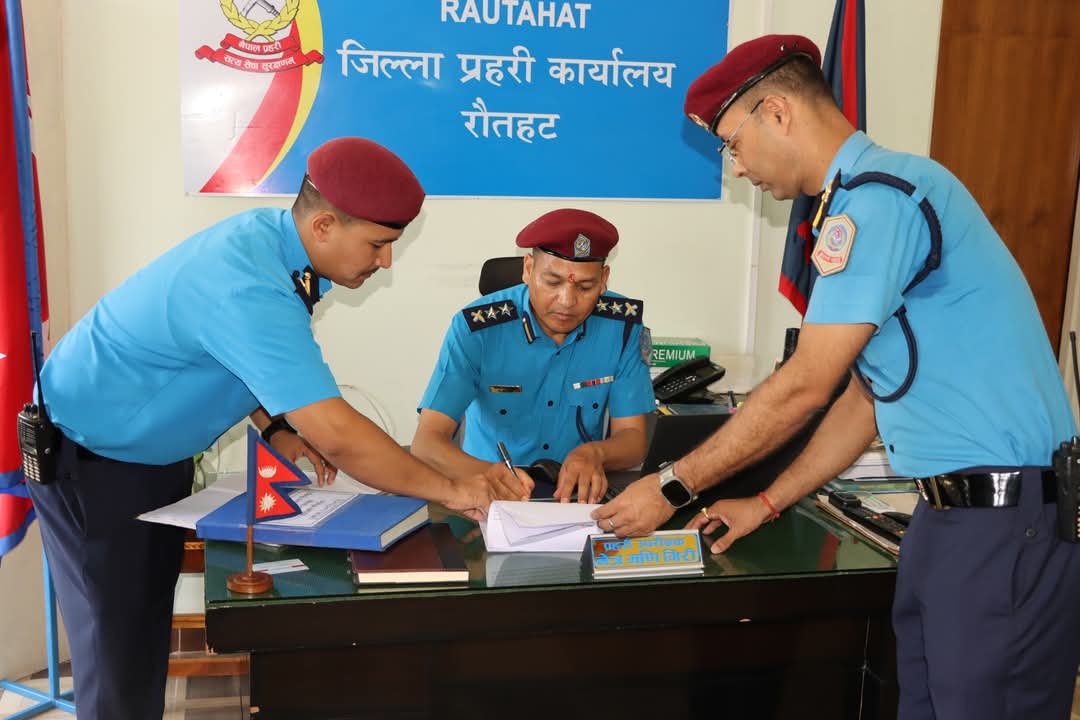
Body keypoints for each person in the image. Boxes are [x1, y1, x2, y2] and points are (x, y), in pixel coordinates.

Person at [593, 34, 1080, 718]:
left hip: (1004, 525)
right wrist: (766, 503)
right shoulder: (860, 202)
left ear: (778, 112)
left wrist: (673, 485)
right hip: (949, 520)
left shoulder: (882, 200)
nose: (738, 167)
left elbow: (806, 384)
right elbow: (864, 395)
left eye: (733, 144)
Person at [27, 137, 507, 720]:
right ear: (324, 225)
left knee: (139, 634)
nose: (385, 262)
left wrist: (276, 425)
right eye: (378, 244)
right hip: (92, 463)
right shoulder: (248, 283)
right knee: (116, 655)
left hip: (148, 459)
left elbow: (241, 359)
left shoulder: (275, 245)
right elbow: (338, 434)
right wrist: (452, 490)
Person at [411, 208, 655, 504]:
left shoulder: (622, 328)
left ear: (604, 279)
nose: (567, 301)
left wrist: (596, 453)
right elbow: (427, 443)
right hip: (489, 492)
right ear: (528, 269)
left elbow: (633, 439)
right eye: (552, 282)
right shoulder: (478, 328)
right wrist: (490, 474)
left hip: (576, 495)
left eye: (585, 287)